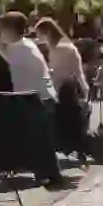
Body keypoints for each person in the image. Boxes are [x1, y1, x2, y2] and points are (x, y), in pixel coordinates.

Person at [0, 12, 69, 189]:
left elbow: (0, 71)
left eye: (0, 30)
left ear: (8, 30)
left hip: (33, 101)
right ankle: (50, 175)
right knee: (40, 142)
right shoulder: (26, 45)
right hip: (42, 99)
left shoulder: (17, 50)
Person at [34, 18, 90, 161]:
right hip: (77, 88)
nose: (38, 39)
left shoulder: (60, 49)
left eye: (40, 34)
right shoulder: (64, 45)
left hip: (70, 90)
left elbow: (59, 75)